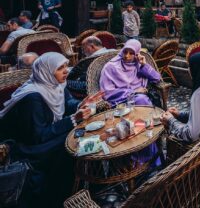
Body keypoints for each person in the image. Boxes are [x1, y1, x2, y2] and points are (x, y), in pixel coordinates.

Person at [0, 52, 93, 207]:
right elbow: (38, 136)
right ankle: (61, 195)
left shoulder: (56, 84)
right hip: (25, 146)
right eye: (59, 68)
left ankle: (83, 183)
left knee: (80, 133)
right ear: (46, 72)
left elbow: (67, 102)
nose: (66, 71)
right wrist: (72, 119)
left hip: (42, 134)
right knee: (71, 143)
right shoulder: (32, 98)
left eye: (65, 66)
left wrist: (80, 104)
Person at [99, 39, 161, 107]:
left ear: (136, 54)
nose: (126, 56)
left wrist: (144, 65)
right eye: (125, 52)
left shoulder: (138, 64)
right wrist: (133, 92)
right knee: (141, 99)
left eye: (131, 53)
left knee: (143, 99)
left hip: (141, 96)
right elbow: (107, 92)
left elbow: (157, 78)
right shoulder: (111, 67)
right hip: (120, 101)